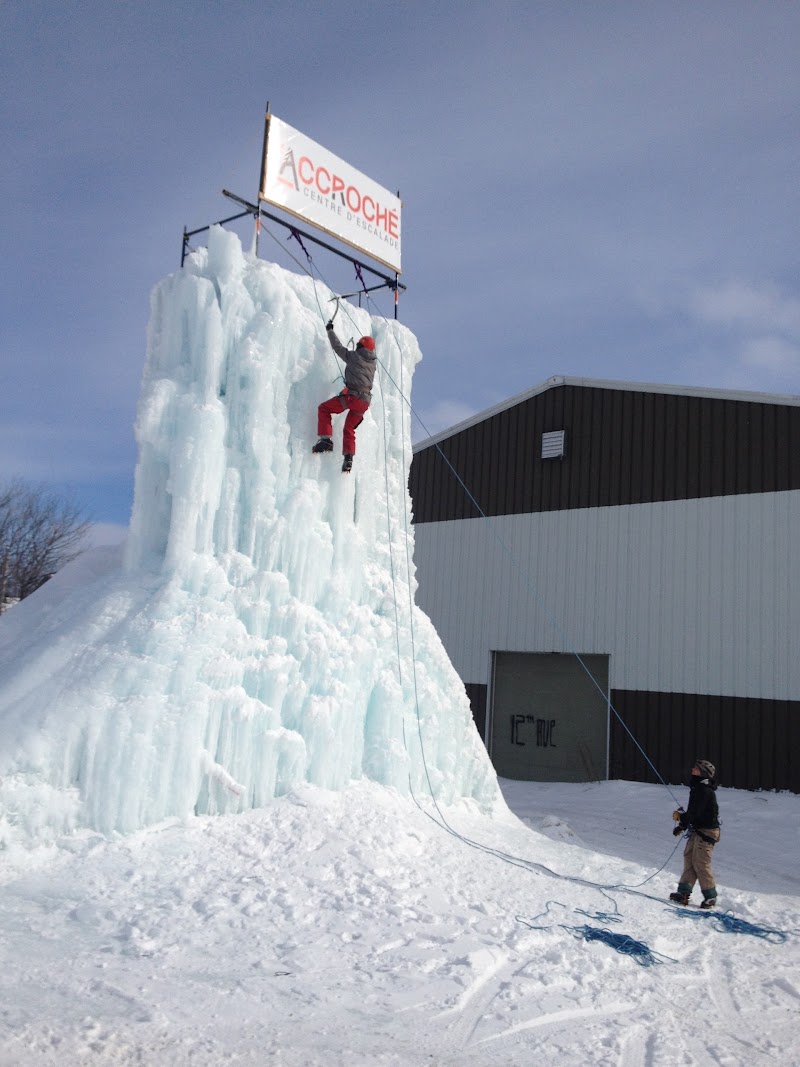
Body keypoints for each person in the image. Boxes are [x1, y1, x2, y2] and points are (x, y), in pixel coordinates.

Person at [312, 322, 377, 473]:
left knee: (324, 408)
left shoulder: (354, 356)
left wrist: (330, 331)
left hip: (353, 397)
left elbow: (337, 347)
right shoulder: (373, 364)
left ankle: (326, 440)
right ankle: (348, 458)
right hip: (364, 402)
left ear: (360, 346)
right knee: (349, 429)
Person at [670, 759, 720, 909]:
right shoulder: (697, 788)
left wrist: (681, 818)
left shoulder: (704, 790)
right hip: (698, 831)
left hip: (707, 832)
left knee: (701, 863)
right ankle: (684, 893)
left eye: (696, 768)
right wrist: (682, 826)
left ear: (703, 772)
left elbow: (695, 813)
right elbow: (693, 813)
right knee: (689, 858)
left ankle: (710, 897)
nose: (692, 769)